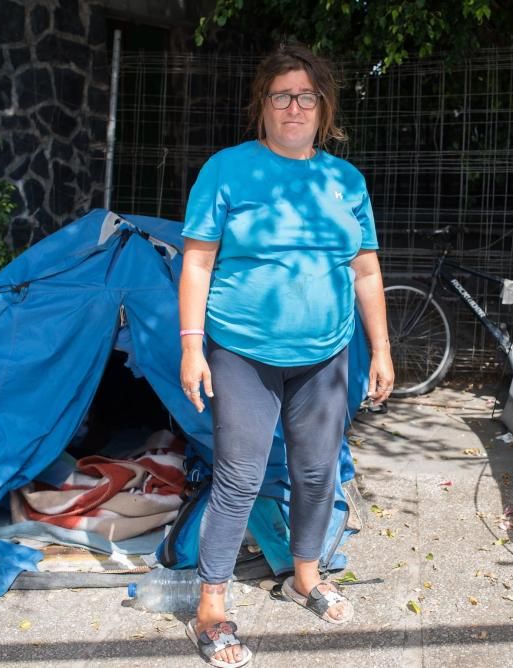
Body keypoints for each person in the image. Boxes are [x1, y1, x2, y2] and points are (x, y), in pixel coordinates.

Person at [177, 43, 394, 667]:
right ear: (263, 105)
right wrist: (193, 348)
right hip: (241, 351)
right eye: (281, 95)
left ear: (322, 108)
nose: (294, 106)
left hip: (325, 354)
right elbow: (196, 262)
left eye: (306, 96)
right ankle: (211, 607)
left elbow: (366, 270)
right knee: (240, 476)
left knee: (318, 471)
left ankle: (306, 575)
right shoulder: (227, 170)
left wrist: (380, 349)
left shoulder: (345, 181)